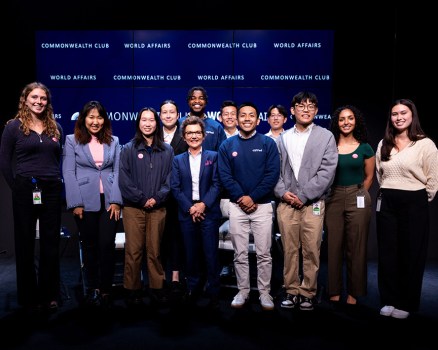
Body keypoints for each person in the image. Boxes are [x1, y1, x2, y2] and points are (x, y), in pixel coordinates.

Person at [0, 82, 64, 312]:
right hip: (26, 189)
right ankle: (28, 297)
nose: (39, 101)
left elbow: (60, 159)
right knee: (25, 243)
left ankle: (50, 294)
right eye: (34, 97)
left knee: (50, 244)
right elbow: (4, 161)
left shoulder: (55, 128)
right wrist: (16, 186)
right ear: (25, 99)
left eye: (43, 98)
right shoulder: (13, 127)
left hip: (52, 189)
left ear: (47, 101)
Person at [274, 91, 337, 311]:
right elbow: (274, 171)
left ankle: (308, 292)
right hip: (286, 203)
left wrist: (304, 195)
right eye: (301, 105)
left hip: (313, 203)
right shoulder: (283, 138)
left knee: (311, 249)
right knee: (289, 250)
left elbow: (328, 170)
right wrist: (283, 192)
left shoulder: (326, 136)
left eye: (311, 106)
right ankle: (291, 291)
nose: (306, 109)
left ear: (316, 111)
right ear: (292, 111)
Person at [376, 98, 438, 319]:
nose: (399, 117)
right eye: (394, 114)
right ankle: (389, 299)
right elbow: (380, 174)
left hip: (414, 202)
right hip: (387, 201)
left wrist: (417, 199)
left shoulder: (425, 144)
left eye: (403, 113)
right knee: (388, 254)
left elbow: (432, 182)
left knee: (411, 254)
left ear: (412, 116)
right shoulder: (384, 144)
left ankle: (406, 302)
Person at [218, 102, 280, 311]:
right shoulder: (227, 145)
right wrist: (241, 197)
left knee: (264, 253)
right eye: (242, 115)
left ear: (258, 120)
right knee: (240, 253)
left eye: (251, 115)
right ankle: (243, 290)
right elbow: (225, 176)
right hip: (237, 207)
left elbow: (272, 175)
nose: (246, 118)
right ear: (236, 120)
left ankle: (264, 293)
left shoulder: (268, 143)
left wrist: (252, 197)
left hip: (262, 206)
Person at [62, 100, 123, 308]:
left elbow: (117, 172)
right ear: (83, 119)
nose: (95, 121)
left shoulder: (114, 141)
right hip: (84, 202)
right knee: (89, 248)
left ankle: (106, 289)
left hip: (109, 203)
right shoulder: (72, 140)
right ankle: (93, 288)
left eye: (99, 117)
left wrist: (116, 200)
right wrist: (75, 203)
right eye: (91, 117)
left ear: (104, 119)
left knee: (107, 246)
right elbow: (68, 172)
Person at [119, 107, 174, 306]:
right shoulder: (128, 148)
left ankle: (157, 288)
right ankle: (132, 290)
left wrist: (157, 198)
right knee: (134, 251)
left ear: (156, 123)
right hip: (134, 208)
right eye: (144, 120)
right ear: (138, 123)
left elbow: (170, 179)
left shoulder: (167, 150)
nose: (148, 123)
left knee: (155, 250)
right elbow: (124, 180)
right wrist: (142, 199)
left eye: (151, 120)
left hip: (158, 207)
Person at [325, 105, 375, 307]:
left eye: (350, 118)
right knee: (334, 246)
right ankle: (334, 290)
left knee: (356, 247)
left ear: (356, 121)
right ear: (337, 123)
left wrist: (360, 193)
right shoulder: (330, 146)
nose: (346, 122)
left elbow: (370, 176)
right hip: (333, 197)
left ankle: (354, 292)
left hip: (357, 196)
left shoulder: (365, 147)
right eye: (342, 119)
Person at [171, 115, 222, 309]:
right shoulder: (177, 160)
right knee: (190, 254)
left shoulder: (213, 157)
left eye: (197, 133)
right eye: (190, 133)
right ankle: (192, 288)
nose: (194, 136)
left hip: (208, 211)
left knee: (210, 254)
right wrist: (191, 207)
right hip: (186, 212)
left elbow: (217, 184)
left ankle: (214, 291)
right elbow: (175, 187)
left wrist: (203, 205)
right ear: (184, 137)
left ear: (203, 135)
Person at [159, 99, 188, 300]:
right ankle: (158, 278)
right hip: (157, 195)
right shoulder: (152, 135)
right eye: (164, 112)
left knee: (178, 238)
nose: (168, 115)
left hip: (180, 195)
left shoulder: (185, 136)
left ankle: (177, 277)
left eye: (172, 112)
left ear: (178, 115)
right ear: (160, 116)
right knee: (159, 238)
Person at [180, 86, 226, 151]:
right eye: (193, 98)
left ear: (206, 102)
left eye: (201, 98)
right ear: (188, 102)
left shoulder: (216, 127)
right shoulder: (179, 123)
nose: (197, 101)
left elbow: (222, 153)